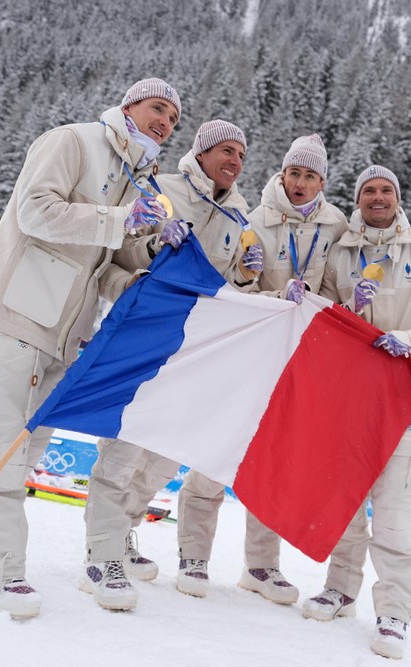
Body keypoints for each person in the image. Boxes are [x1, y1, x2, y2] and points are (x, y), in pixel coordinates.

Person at [0, 78, 182, 618]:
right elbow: (34, 212)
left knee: (26, 449)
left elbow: (104, 266)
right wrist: (117, 221)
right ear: (129, 104)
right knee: (2, 447)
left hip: (68, 331)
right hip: (18, 312)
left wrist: (140, 270)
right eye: (159, 108)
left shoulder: (142, 180)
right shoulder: (73, 141)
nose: (166, 122)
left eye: (174, 120)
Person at [82, 119, 264, 612]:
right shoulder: (163, 188)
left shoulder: (240, 216)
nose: (235, 162)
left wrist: (248, 280)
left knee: (162, 458)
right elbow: (116, 261)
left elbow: (227, 288)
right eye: (226, 150)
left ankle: (123, 533)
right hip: (143, 344)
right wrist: (152, 244)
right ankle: (102, 558)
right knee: (120, 457)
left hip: (192, 355)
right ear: (201, 152)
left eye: (242, 155)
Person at [173, 134, 349, 604]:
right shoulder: (255, 217)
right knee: (218, 448)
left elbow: (363, 263)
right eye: (294, 173)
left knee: (274, 459)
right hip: (253, 349)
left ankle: (261, 565)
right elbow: (231, 285)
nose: (300, 182)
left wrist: (407, 235)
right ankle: (193, 555)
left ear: (322, 182)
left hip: (300, 358)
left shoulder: (337, 226)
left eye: (310, 176)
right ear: (283, 173)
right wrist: (248, 276)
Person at [309, 165, 411, 660]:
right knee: (348, 508)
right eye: (369, 191)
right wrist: (346, 310)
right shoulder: (342, 253)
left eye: (386, 191)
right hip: (351, 402)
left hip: (406, 402)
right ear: (357, 200)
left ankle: (393, 612)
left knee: (395, 518)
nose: (377, 198)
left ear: (398, 198)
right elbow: (325, 322)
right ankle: (340, 589)